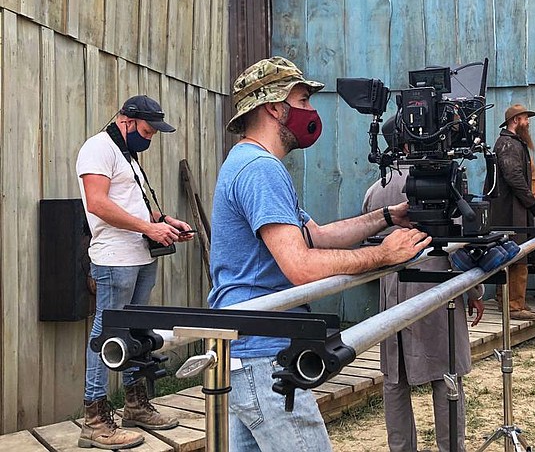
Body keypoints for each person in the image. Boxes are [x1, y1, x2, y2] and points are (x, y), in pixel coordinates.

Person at [208, 57, 431, 452]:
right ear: (275, 107)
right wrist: (383, 256)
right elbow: (301, 266)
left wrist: (385, 217)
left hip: (249, 352)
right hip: (266, 355)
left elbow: (319, 237)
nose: (311, 111)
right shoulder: (261, 169)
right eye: (304, 99)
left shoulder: (249, 162)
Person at [76, 95, 192, 450]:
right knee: (106, 333)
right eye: (146, 130)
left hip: (140, 257)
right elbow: (97, 204)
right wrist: (148, 228)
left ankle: (135, 404)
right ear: (126, 119)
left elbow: (133, 203)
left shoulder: (126, 153)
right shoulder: (98, 148)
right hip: (114, 259)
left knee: (136, 332)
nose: (150, 138)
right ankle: (94, 420)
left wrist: (164, 222)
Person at [362, 121, 485, 452]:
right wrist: (474, 291)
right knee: (446, 377)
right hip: (437, 290)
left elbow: (367, 239)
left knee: (395, 381)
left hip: (392, 294)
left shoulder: (376, 190)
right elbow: (463, 243)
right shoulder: (443, 182)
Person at [485, 103, 535, 320]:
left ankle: (506, 301)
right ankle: (514, 306)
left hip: (512, 208)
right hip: (511, 210)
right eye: (526, 118)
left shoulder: (512, 142)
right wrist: (530, 201)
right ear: (516, 120)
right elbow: (513, 175)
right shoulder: (507, 144)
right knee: (518, 255)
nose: (528, 123)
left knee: (509, 254)